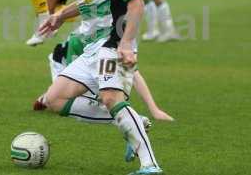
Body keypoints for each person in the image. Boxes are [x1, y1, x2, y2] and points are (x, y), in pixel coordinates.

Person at [39, 0, 163, 175]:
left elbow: (136, 2)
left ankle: (150, 165)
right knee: (53, 99)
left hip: (113, 41)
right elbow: (87, 1)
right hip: (92, 45)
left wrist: (127, 43)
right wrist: (61, 15)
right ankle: (133, 122)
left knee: (110, 97)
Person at [34, 28, 174, 122]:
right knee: (63, 100)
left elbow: (134, 74)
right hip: (62, 62)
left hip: (91, 62)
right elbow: (74, 74)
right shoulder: (82, 40)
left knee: (107, 96)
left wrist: (154, 110)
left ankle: (128, 119)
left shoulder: (115, 37)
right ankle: (46, 97)